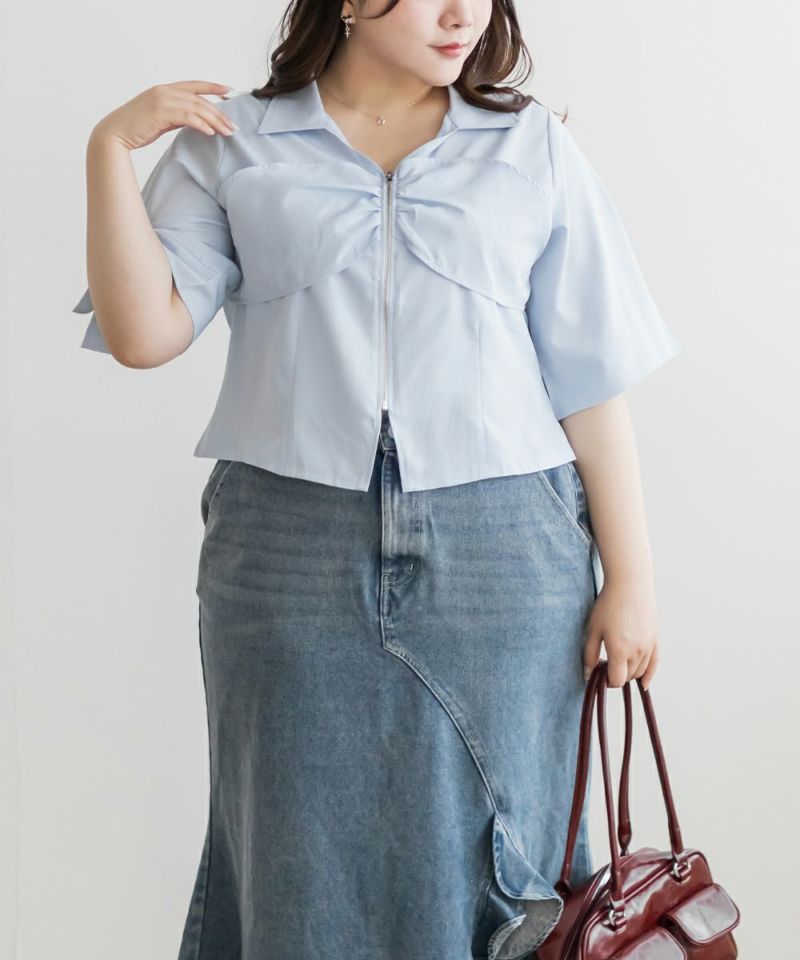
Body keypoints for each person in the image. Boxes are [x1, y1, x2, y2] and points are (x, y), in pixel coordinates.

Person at [71, 2, 682, 958]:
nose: (461, 15)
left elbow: (591, 381)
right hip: (287, 549)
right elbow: (145, 336)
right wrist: (109, 149)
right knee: (294, 847)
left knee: (511, 856)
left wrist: (632, 578)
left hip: (508, 552)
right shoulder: (235, 141)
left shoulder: (531, 147)